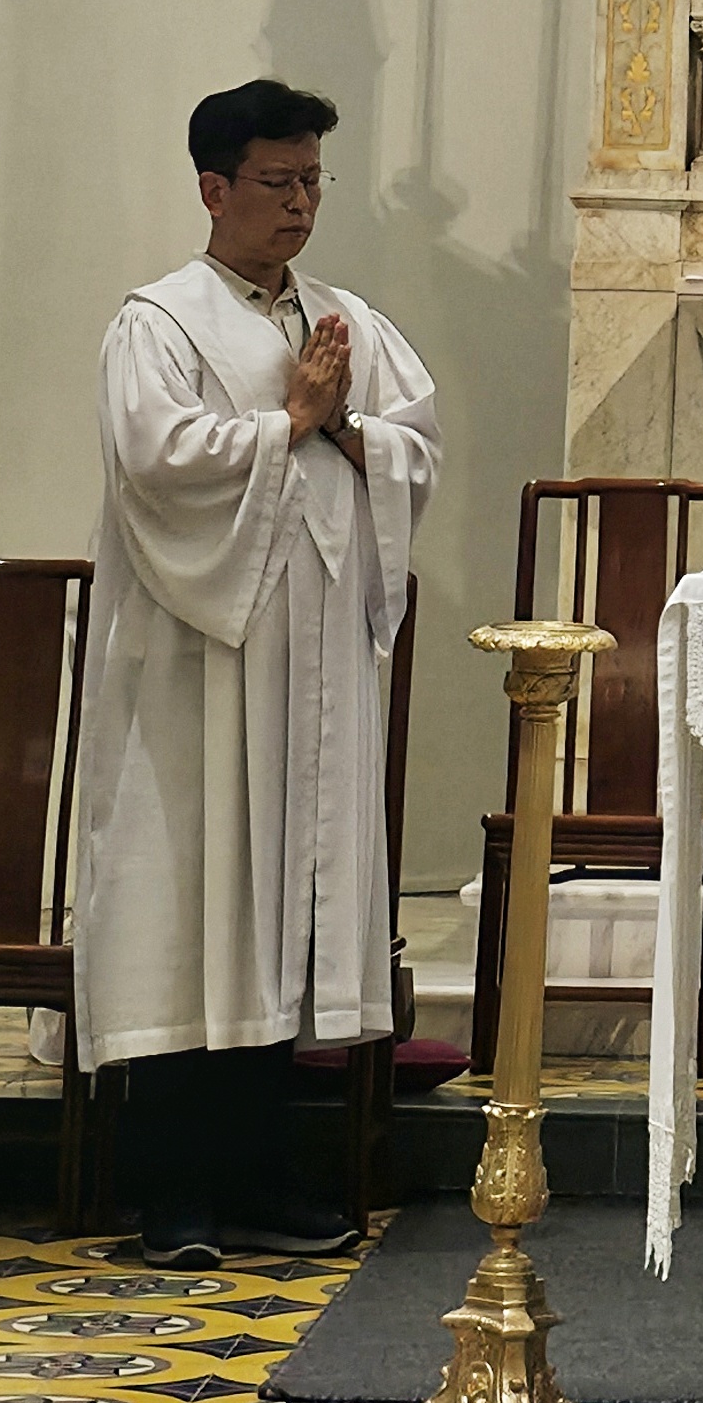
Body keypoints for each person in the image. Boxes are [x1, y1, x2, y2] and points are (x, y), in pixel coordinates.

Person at [73, 77, 441, 1265]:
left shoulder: (344, 319)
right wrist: (289, 423)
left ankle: (262, 1168)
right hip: (198, 662)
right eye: (277, 182)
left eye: (313, 181)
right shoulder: (160, 322)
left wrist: (340, 425)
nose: (300, 205)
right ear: (213, 188)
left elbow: (414, 447)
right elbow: (156, 460)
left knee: (282, 906)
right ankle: (174, 1189)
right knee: (194, 904)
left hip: (309, 665)